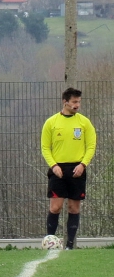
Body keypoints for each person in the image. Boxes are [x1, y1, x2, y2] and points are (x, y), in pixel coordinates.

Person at [41, 87, 96, 250]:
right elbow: (45, 147)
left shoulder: (84, 122)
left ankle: (70, 246)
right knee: (55, 207)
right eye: (74, 102)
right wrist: (53, 165)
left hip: (77, 168)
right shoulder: (51, 122)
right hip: (58, 169)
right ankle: (50, 243)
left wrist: (83, 164)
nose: (77, 105)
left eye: (78, 102)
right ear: (65, 102)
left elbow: (91, 145)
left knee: (74, 207)